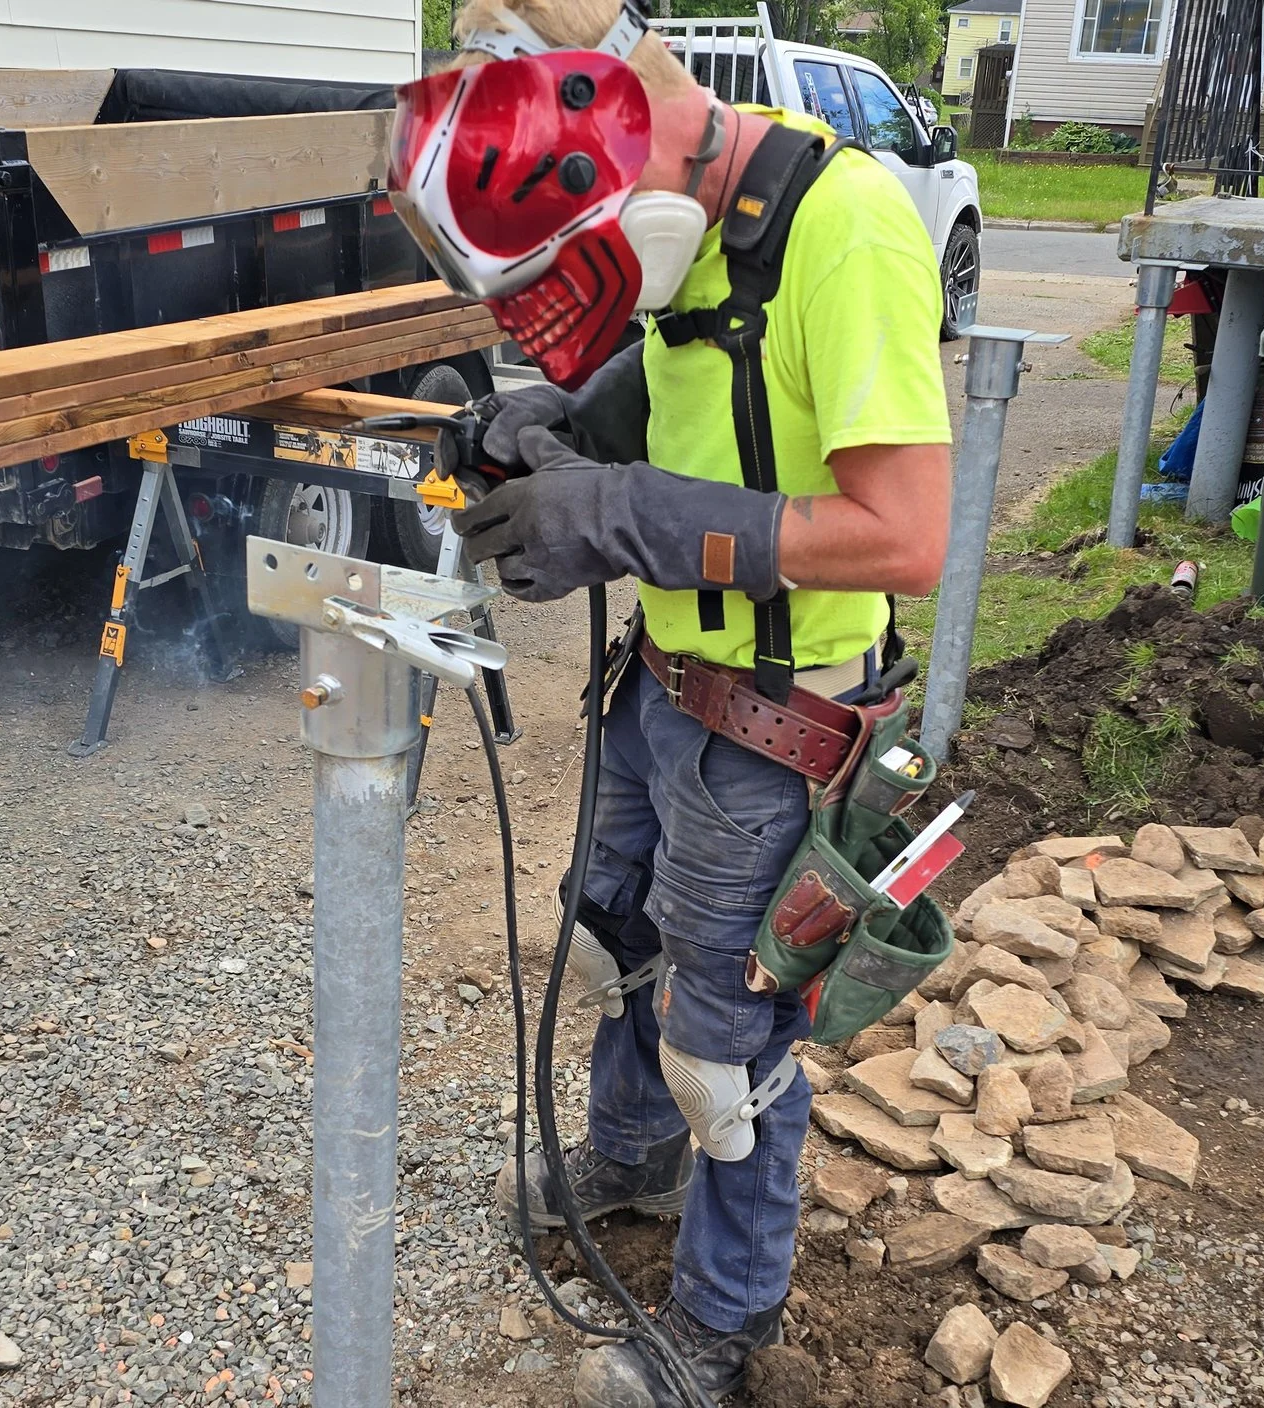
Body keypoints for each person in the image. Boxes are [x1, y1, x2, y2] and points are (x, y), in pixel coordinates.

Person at [389, 3, 952, 1403]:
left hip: (779, 720)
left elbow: (904, 534)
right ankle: (629, 1166)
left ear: (628, 193)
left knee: (728, 1040)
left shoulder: (851, 231)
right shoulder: (706, 233)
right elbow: (697, 385)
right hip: (666, 677)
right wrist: (553, 430)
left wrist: (627, 513)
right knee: (614, 934)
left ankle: (722, 1321)